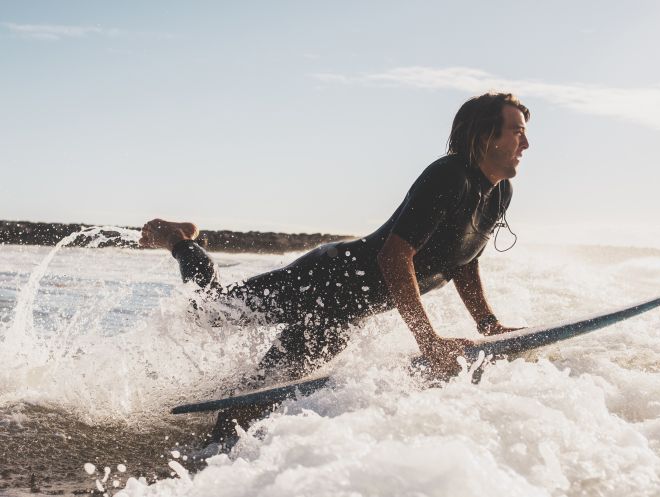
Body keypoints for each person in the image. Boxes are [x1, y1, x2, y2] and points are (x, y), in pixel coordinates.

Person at [140, 92, 530, 442]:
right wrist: (429, 341)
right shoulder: (448, 176)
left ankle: (214, 462)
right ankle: (178, 240)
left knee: (255, 399)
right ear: (485, 134)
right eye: (516, 131)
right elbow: (395, 256)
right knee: (208, 313)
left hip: (346, 313)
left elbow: (463, 261)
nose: (525, 143)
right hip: (323, 279)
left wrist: (487, 323)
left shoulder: (499, 192)